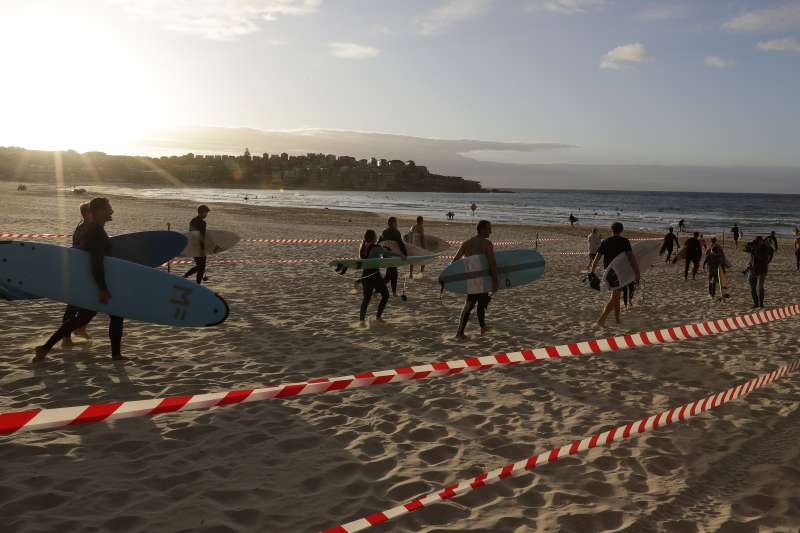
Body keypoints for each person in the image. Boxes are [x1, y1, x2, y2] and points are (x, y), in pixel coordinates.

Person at [34, 198, 125, 363]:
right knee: (115, 315)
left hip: (90, 281)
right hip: (95, 282)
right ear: (98, 211)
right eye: (108, 208)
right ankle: (116, 355)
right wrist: (102, 288)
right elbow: (96, 262)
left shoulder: (91, 229)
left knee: (83, 318)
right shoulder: (96, 232)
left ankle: (45, 348)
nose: (112, 212)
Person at [589, 222, 639, 328]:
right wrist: (636, 271)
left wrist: (592, 271)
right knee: (615, 296)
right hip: (619, 273)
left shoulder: (605, 241)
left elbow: (597, 258)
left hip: (608, 272)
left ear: (611, 230)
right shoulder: (625, 241)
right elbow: (631, 257)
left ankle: (617, 319)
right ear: (621, 230)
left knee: (616, 295)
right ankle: (601, 320)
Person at [453, 220, 498, 339]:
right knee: (472, 304)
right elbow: (492, 263)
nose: (491, 231)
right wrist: (495, 280)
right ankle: (460, 332)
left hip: (471, 279)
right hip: (482, 279)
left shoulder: (466, 243)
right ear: (482, 229)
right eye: (489, 229)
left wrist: (458, 278)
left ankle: (481, 328)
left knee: (479, 303)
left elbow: (454, 263)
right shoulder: (487, 244)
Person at [60, 203, 93, 347]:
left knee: (79, 303)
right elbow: (83, 249)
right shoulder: (87, 229)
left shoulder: (81, 227)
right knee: (75, 305)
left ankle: (79, 329)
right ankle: (67, 337)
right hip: (82, 270)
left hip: (80, 269)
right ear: (86, 214)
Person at [358, 230, 391, 323]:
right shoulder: (376, 247)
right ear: (373, 238)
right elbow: (387, 255)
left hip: (365, 275)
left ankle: (361, 321)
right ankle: (378, 317)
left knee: (366, 299)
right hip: (374, 275)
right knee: (385, 295)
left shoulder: (363, 246)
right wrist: (401, 256)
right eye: (376, 236)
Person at [378, 217, 407, 296]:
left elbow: (379, 243)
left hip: (385, 255)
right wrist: (405, 254)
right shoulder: (396, 232)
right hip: (393, 255)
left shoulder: (384, 232)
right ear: (393, 224)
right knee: (391, 275)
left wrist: (379, 253)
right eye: (395, 223)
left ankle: (392, 292)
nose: (396, 224)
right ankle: (379, 290)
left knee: (391, 274)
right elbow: (400, 244)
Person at [183, 205, 212, 284]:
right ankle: (197, 283)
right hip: (199, 247)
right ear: (202, 212)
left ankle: (186, 276)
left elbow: (191, 234)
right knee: (201, 267)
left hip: (193, 245)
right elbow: (201, 236)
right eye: (206, 212)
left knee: (199, 266)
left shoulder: (192, 220)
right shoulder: (202, 223)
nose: (206, 214)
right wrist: (202, 249)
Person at [745, 236, 774, 308]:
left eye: (759, 241)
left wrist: (768, 260)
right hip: (753, 269)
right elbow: (745, 248)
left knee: (760, 287)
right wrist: (751, 244)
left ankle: (761, 303)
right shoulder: (755, 248)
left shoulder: (764, 248)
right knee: (753, 288)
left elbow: (771, 251)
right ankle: (756, 303)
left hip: (761, 270)